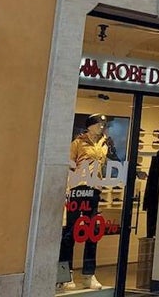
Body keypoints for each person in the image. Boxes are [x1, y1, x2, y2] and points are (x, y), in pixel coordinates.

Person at [59, 114, 114, 291]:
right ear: (90, 126)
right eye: (98, 124)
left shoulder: (105, 144)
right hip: (77, 188)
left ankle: (89, 274)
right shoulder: (78, 143)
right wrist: (68, 188)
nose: (101, 127)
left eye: (103, 124)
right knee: (70, 232)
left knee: (92, 232)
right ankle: (64, 275)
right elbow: (69, 165)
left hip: (94, 189)